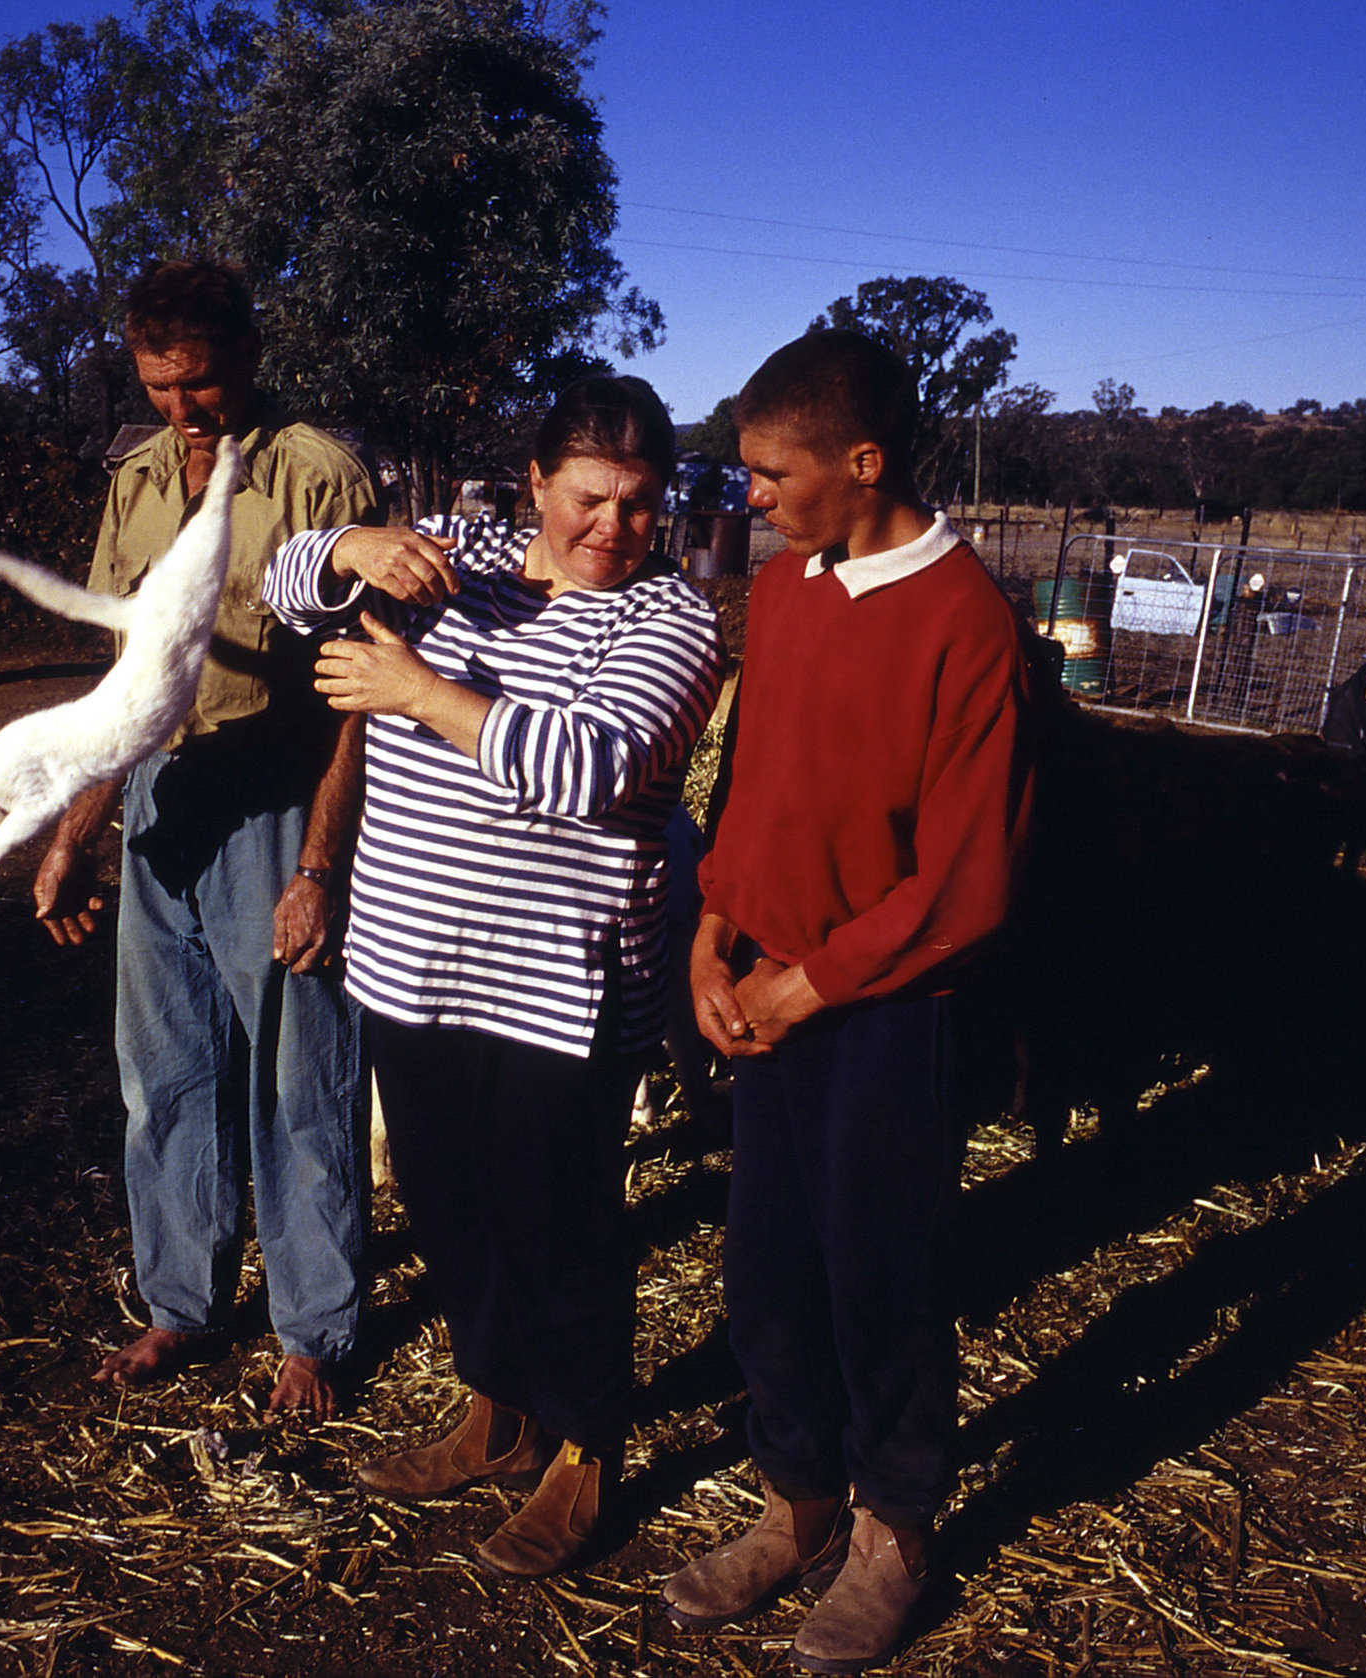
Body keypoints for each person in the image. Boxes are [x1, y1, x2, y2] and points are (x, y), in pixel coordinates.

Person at [262, 375, 723, 1577]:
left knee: (555, 1219)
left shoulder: (672, 621)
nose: (611, 530)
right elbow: (279, 586)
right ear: (533, 481)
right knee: (448, 1197)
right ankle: (494, 1406)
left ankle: (583, 1445)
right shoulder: (454, 556)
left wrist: (420, 691)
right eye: (587, 499)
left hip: (558, 987)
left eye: (637, 505)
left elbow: (593, 765)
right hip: (413, 962)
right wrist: (350, 543)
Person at [662, 331, 1034, 1673]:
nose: (750, 494)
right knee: (764, 1267)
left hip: (884, 1009)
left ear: (861, 463)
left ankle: (893, 1528)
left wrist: (806, 981)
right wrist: (710, 932)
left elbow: (969, 883)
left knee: (883, 1273)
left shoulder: (968, 624)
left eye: (772, 471)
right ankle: (800, 1497)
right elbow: (750, 781)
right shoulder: (791, 590)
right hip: (766, 982)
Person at [35, 259, 379, 1421]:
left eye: (202, 382)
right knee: (165, 1074)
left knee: (299, 1075)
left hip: (281, 792)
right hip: (164, 803)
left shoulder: (316, 477)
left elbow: (357, 693)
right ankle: (181, 1299)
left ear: (248, 359)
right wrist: (78, 828)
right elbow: (125, 675)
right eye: (159, 385)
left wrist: (322, 866)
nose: (184, 409)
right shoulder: (134, 479)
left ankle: (314, 1326)